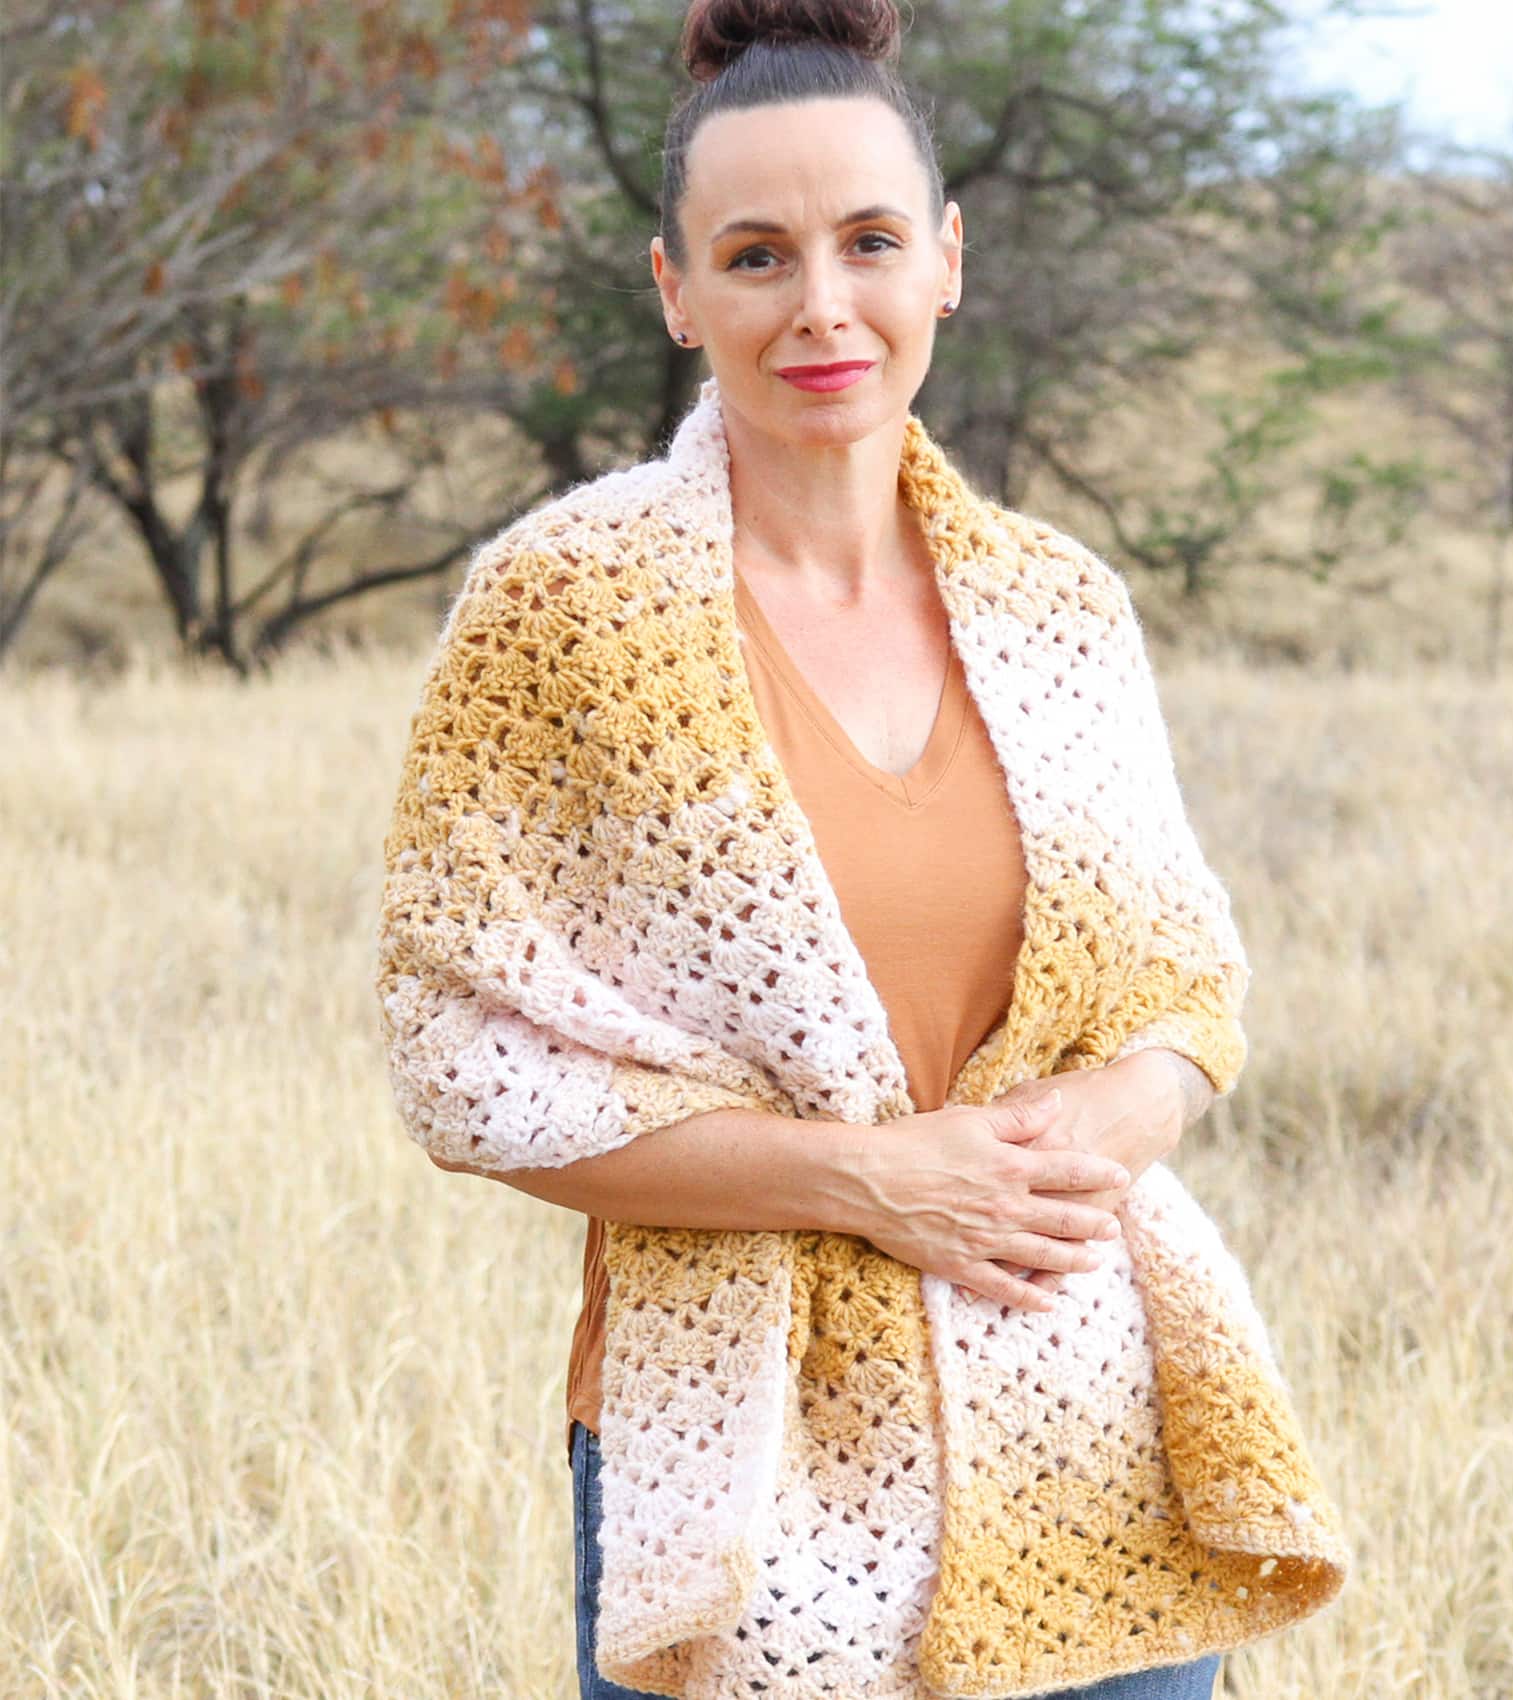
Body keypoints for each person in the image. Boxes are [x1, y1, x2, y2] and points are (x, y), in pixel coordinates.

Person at [378, 0, 1350, 1693]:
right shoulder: (566, 611)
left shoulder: (1061, 608)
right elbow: (464, 1059)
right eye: (757, 256)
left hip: (1090, 1419)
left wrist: (1126, 1111)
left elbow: (1188, 985)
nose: (822, 304)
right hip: (743, 1454)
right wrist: (871, 1179)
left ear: (946, 262)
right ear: (676, 289)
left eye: (871, 243)